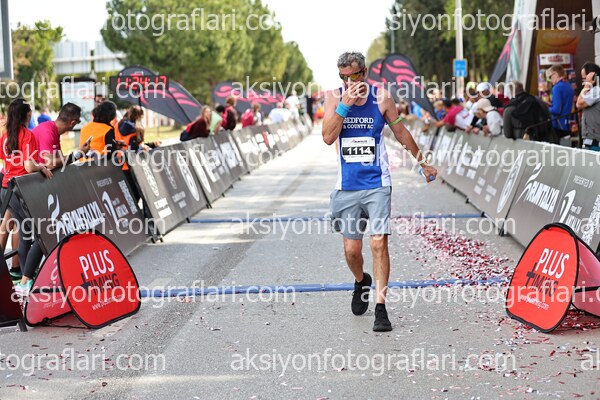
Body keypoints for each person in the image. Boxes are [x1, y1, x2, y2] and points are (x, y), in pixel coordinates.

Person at [323, 51, 437, 332]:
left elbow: (400, 132)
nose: (349, 82)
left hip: (377, 183)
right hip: (347, 185)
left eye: (353, 76)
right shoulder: (334, 98)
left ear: (364, 73)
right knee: (352, 250)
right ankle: (361, 280)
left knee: (378, 243)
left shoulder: (382, 98)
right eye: (343, 77)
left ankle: (381, 308)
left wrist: (422, 162)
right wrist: (345, 106)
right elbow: (327, 137)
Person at [0, 99, 52, 295]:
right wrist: (42, 168)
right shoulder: (27, 135)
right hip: (22, 189)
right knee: (42, 233)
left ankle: (25, 280)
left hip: (7, 188)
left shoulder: (5, 136)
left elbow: (5, 162)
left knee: (25, 234)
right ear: (26, 115)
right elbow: (29, 166)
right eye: (30, 112)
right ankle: (26, 279)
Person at [33, 102, 90, 169]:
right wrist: (77, 154)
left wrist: (79, 153)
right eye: (78, 122)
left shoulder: (53, 131)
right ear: (73, 122)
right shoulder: (47, 132)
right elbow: (50, 164)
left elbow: (60, 162)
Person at [545, 64, 574, 143]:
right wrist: (551, 105)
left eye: (550, 77)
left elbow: (556, 110)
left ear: (555, 74)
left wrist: (545, 108)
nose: (550, 80)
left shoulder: (556, 88)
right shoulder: (569, 86)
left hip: (558, 125)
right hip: (567, 124)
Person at [576, 62, 600, 151]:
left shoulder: (597, 90)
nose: (583, 82)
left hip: (595, 140)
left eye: (584, 78)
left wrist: (587, 84)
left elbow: (579, 104)